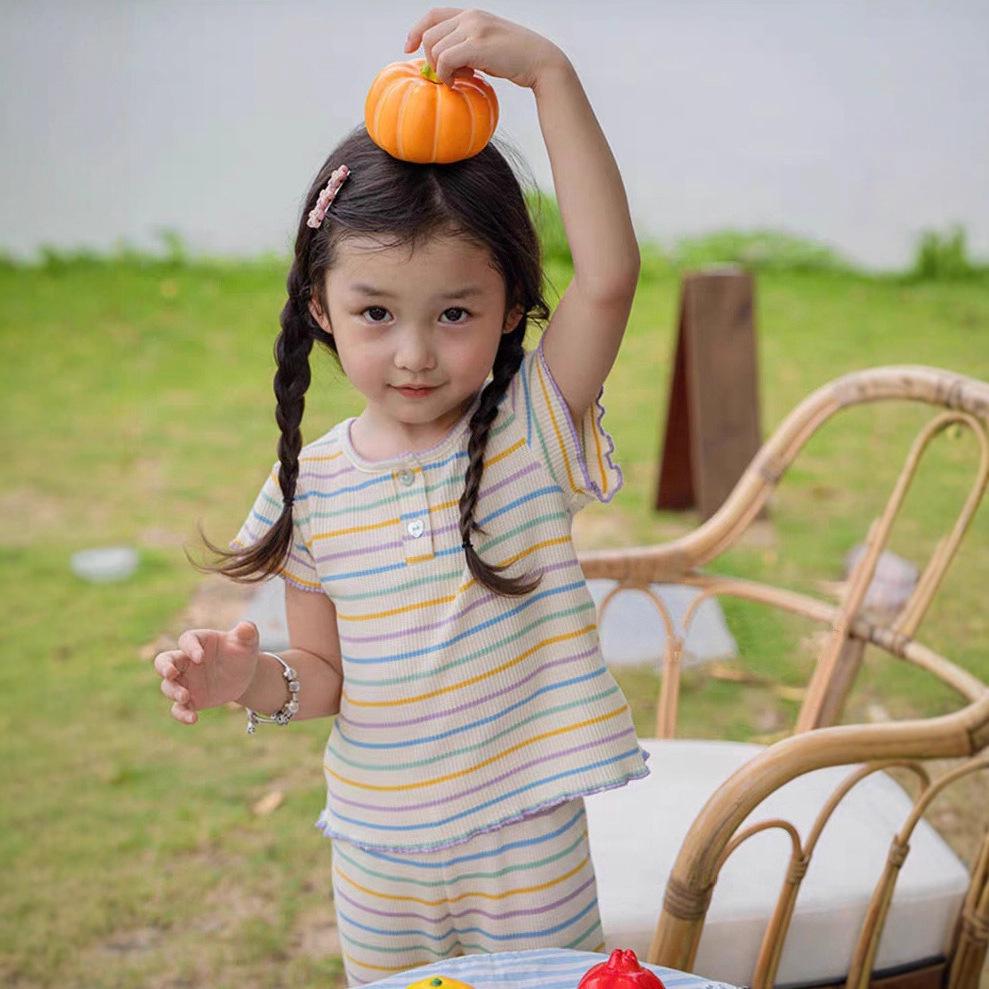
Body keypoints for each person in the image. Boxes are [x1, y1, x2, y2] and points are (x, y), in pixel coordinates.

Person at [152, 8, 647, 985]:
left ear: (510, 307)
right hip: (376, 857)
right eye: (375, 312)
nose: (414, 352)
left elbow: (609, 275)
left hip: (525, 843)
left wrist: (549, 76)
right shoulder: (313, 484)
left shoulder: (530, 424)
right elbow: (323, 676)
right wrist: (243, 681)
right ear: (320, 308)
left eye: (454, 312)